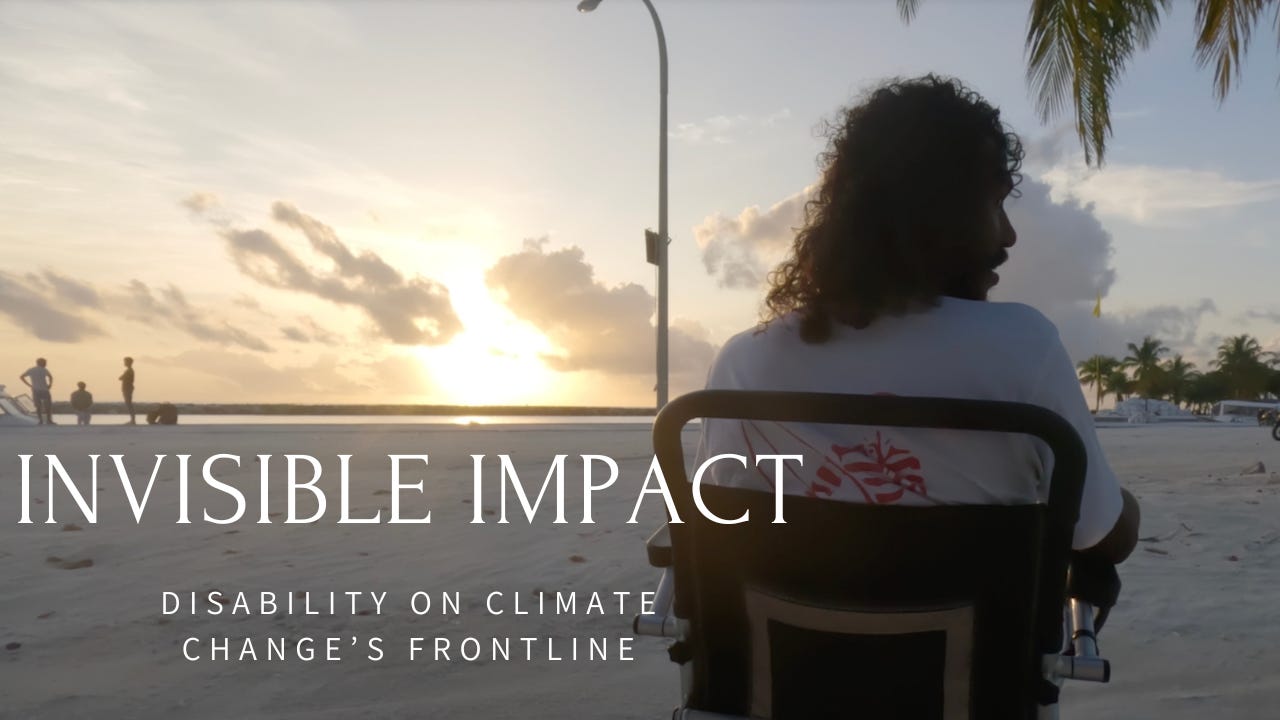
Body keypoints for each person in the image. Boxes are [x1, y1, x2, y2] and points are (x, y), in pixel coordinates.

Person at [697, 75, 1139, 568]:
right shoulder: (1023, 347)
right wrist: (1125, 506)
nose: (1010, 235)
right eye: (993, 204)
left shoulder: (743, 363)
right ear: (939, 214)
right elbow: (1100, 538)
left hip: (780, 643)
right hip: (976, 646)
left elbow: (715, 527)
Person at [19, 357, 55, 425]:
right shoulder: (44, 370)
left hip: (36, 390)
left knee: (38, 406)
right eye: (45, 363)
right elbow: (50, 377)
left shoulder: (32, 370)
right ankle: (48, 420)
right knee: (48, 405)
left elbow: (21, 377)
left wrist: (29, 385)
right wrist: (50, 385)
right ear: (41, 363)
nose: (45, 364)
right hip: (44, 389)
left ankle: (41, 420)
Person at [119, 356, 136, 425]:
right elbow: (120, 378)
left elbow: (121, 378)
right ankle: (132, 420)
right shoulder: (128, 370)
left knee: (129, 404)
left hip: (127, 388)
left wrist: (123, 377)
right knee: (128, 404)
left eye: (125, 361)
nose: (124, 363)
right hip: (127, 388)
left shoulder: (129, 370)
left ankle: (133, 420)